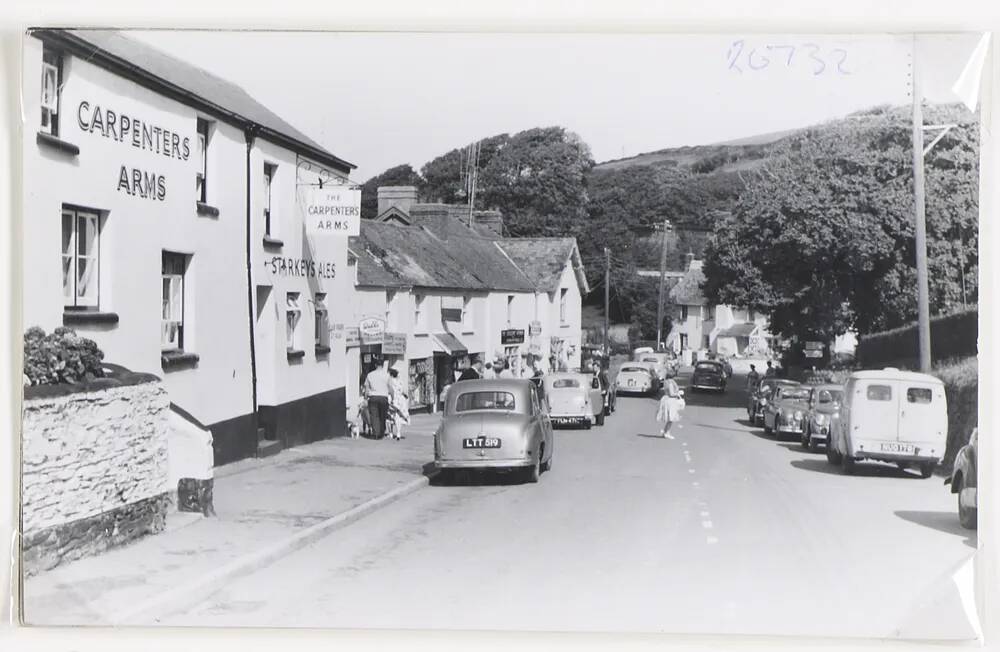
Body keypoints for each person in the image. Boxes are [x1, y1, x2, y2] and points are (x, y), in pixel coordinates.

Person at [363, 359, 391, 439]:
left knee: (374, 416)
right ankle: (381, 432)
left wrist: (365, 398)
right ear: (382, 365)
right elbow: (390, 387)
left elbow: (367, 388)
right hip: (383, 398)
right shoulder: (386, 375)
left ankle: (376, 433)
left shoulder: (370, 375)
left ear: (375, 365)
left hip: (373, 398)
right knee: (383, 416)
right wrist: (393, 396)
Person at [387, 367, 409, 440]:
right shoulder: (400, 381)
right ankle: (398, 433)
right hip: (400, 400)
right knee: (398, 417)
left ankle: (390, 433)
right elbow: (403, 391)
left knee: (389, 417)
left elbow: (390, 390)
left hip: (392, 400)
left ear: (391, 374)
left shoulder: (390, 381)